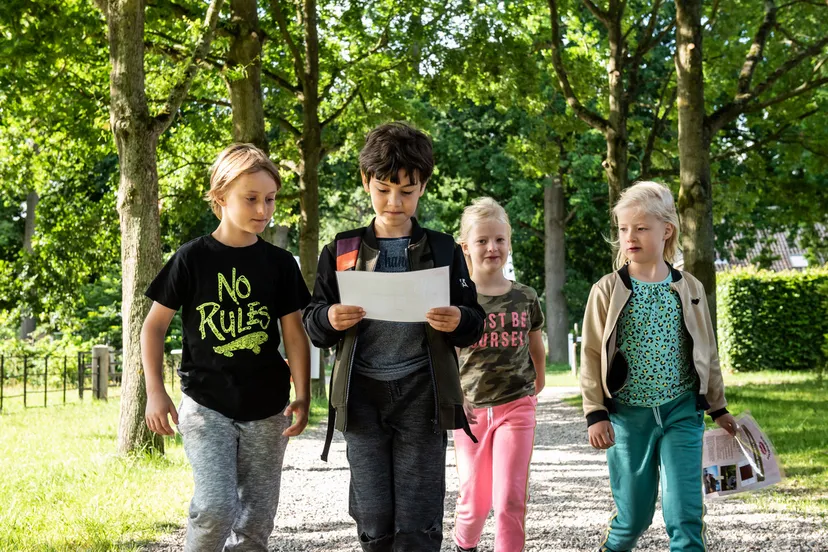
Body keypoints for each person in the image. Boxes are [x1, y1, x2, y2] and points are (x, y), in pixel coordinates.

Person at [302, 122, 485, 552]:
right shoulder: (342, 250)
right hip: (361, 395)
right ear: (366, 182)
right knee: (372, 513)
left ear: (423, 186)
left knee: (419, 515)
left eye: (407, 190)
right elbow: (313, 322)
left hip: (423, 393)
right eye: (383, 189)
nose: (394, 201)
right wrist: (331, 316)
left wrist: (457, 318)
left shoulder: (444, 250)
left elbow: (475, 322)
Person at [141, 143, 312, 552]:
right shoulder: (191, 259)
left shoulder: (280, 264)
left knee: (256, 519)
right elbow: (153, 328)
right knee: (216, 507)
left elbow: (294, 335)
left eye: (269, 199)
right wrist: (154, 391)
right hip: (206, 405)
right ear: (219, 198)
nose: (263, 209)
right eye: (250, 198)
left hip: (268, 408)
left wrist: (303, 394)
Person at [580, 181, 739, 552]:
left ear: (666, 230)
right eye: (622, 229)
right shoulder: (606, 290)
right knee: (633, 516)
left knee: (684, 512)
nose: (629, 236)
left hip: (682, 412)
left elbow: (707, 352)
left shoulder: (690, 287)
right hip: (627, 416)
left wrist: (718, 407)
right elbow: (590, 354)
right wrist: (595, 412)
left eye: (640, 227)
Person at [452, 197, 546, 552]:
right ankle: (465, 545)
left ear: (509, 242)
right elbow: (446, 355)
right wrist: (454, 398)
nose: (492, 247)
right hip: (471, 412)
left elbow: (536, 347)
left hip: (517, 408)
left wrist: (534, 387)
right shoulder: (458, 300)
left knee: (509, 499)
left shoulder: (525, 296)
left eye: (500, 240)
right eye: (482, 240)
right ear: (466, 248)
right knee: (475, 502)